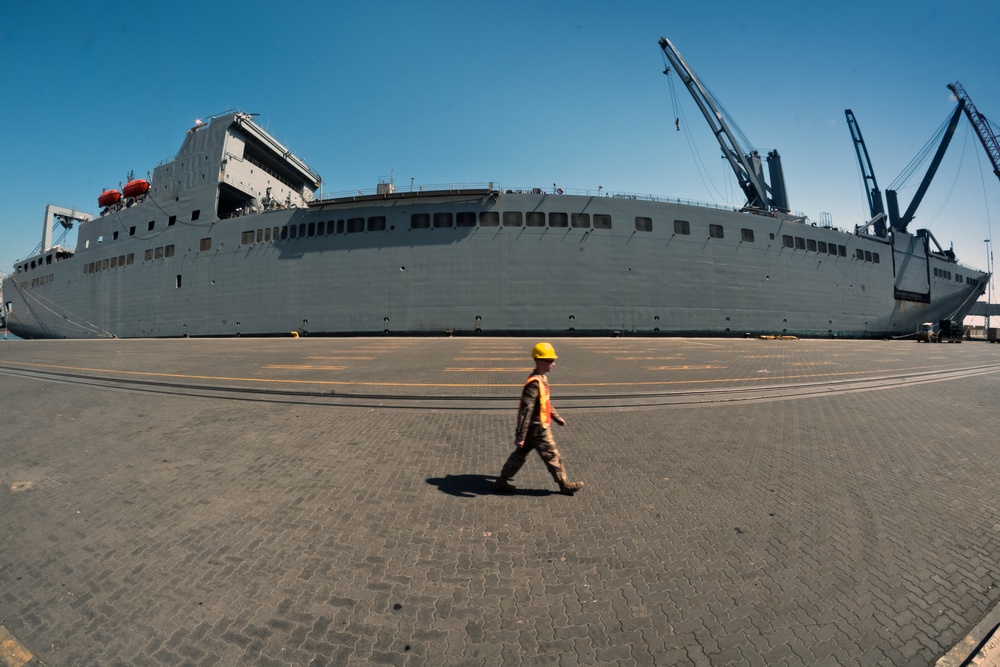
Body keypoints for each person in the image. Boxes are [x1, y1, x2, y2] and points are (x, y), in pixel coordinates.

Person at [494, 342, 584, 495]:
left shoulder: (541, 378)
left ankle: (502, 480)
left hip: (534, 427)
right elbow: (525, 410)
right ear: (541, 361)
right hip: (538, 428)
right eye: (551, 360)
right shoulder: (534, 384)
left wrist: (556, 417)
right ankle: (563, 484)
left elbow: (545, 402)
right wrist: (520, 436)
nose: (554, 364)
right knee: (552, 455)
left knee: (519, 455)